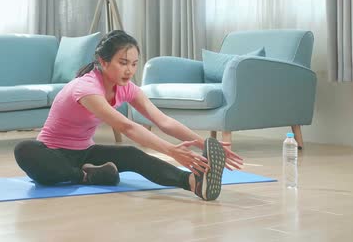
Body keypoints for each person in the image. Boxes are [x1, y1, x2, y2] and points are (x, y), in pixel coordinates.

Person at [14, 30, 243, 201]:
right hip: (53, 154)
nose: (129, 70)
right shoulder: (86, 88)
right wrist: (171, 151)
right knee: (24, 150)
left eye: (134, 64)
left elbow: (163, 121)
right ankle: (87, 176)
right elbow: (127, 127)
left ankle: (192, 183)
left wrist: (205, 144)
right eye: (123, 63)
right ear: (103, 62)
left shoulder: (127, 88)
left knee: (132, 154)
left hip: (86, 153)